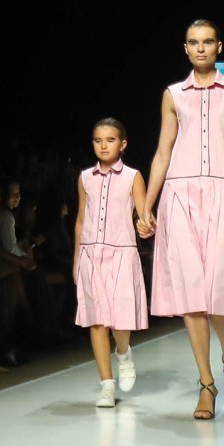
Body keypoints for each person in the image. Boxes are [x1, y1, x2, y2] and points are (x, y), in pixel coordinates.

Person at [138, 19, 224, 420]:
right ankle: (206, 383)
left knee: (217, 288)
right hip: (179, 194)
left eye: (207, 42)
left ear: (218, 47)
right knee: (191, 291)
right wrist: (147, 205)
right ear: (185, 48)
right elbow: (163, 152)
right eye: (193, 42)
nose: (200, 48)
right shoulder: (173, 95)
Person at [75, 117, 152, 408]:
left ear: (123, 144)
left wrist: (146, 226)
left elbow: (143, 214)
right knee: (97, 320)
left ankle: (123, 353)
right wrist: (76, 258)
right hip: (91, 253)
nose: (103, 146)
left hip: (122, 252)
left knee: (120, 317)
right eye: (98, 140)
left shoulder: (133, 176)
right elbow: (80, 219)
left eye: (110, 140)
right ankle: (106, 385)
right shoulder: (85, 178)